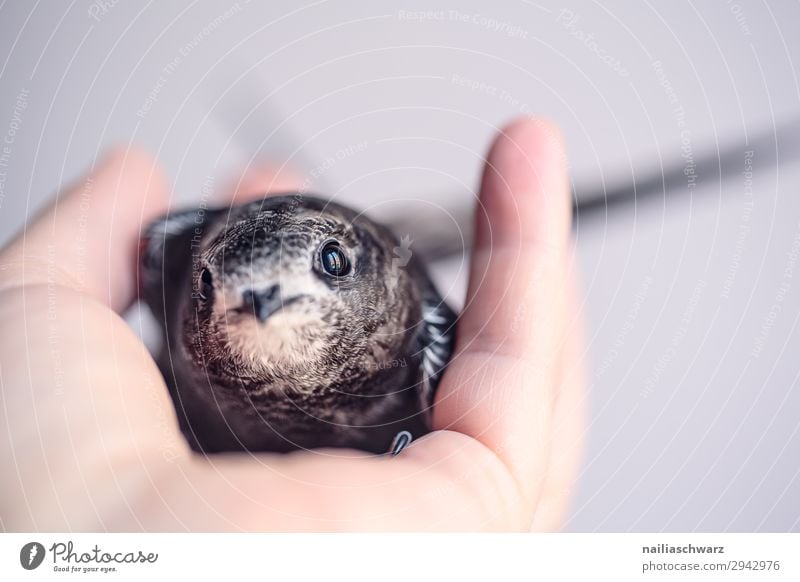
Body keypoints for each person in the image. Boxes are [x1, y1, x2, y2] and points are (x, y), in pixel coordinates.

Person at [0, 117, 585, 531]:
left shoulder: (417, 330)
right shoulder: (175, 250)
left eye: (329, 265)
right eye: (212, 289)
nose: (262, 304)